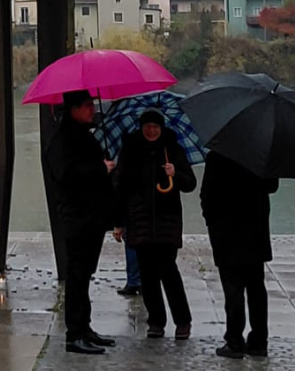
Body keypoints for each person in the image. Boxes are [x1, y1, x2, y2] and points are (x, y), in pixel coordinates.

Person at [112, 108, 197, 340]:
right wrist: (118, 222)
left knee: (169, 271)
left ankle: (183, 321)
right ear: (141, 128)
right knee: (148, 275)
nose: (151, 131)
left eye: (155, 127)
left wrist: (175, 173)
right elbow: (119, 188)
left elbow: (190, 183)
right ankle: (156, 321)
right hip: (139, 220)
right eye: (147, 126)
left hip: (167, 221)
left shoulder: (173, 150)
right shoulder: (130, 150)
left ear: (162, 128)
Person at [44, 90, 117, 356]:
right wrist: (100, 169)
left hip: (92, 216)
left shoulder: (85, 135)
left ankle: (85, 327)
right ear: (73, 109)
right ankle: (74, 333)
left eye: (91, 105)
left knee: (85, 274)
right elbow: (66, 175)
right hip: (77, 217)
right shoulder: (61, 140)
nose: (91, 110)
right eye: (86, 106)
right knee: (76, 275)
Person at [200, 150, 279, 360]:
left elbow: (206, 195)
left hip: (226, 231)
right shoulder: (263, 151)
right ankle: (259, 341)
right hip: (255, 229)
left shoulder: (218, 155)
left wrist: (211, 221)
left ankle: (234, 341)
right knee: (256, 288)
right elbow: (272, 186)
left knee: (233, 288)